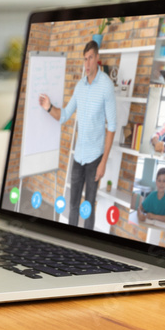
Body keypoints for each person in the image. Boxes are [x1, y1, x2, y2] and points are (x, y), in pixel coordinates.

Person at [38, 40, 116, 230]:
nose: (87, 64)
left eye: (90, 58)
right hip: (78, 156)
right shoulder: (80, 86)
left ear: (97, 59)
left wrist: (103, 162)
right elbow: (64, 116)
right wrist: (48, 107)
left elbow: (112, 126)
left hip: (94, 159)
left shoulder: (106, 86)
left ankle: (87, 248)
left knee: (88, 207)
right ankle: (69, 242)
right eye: (85, 59)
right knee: (73, 205)